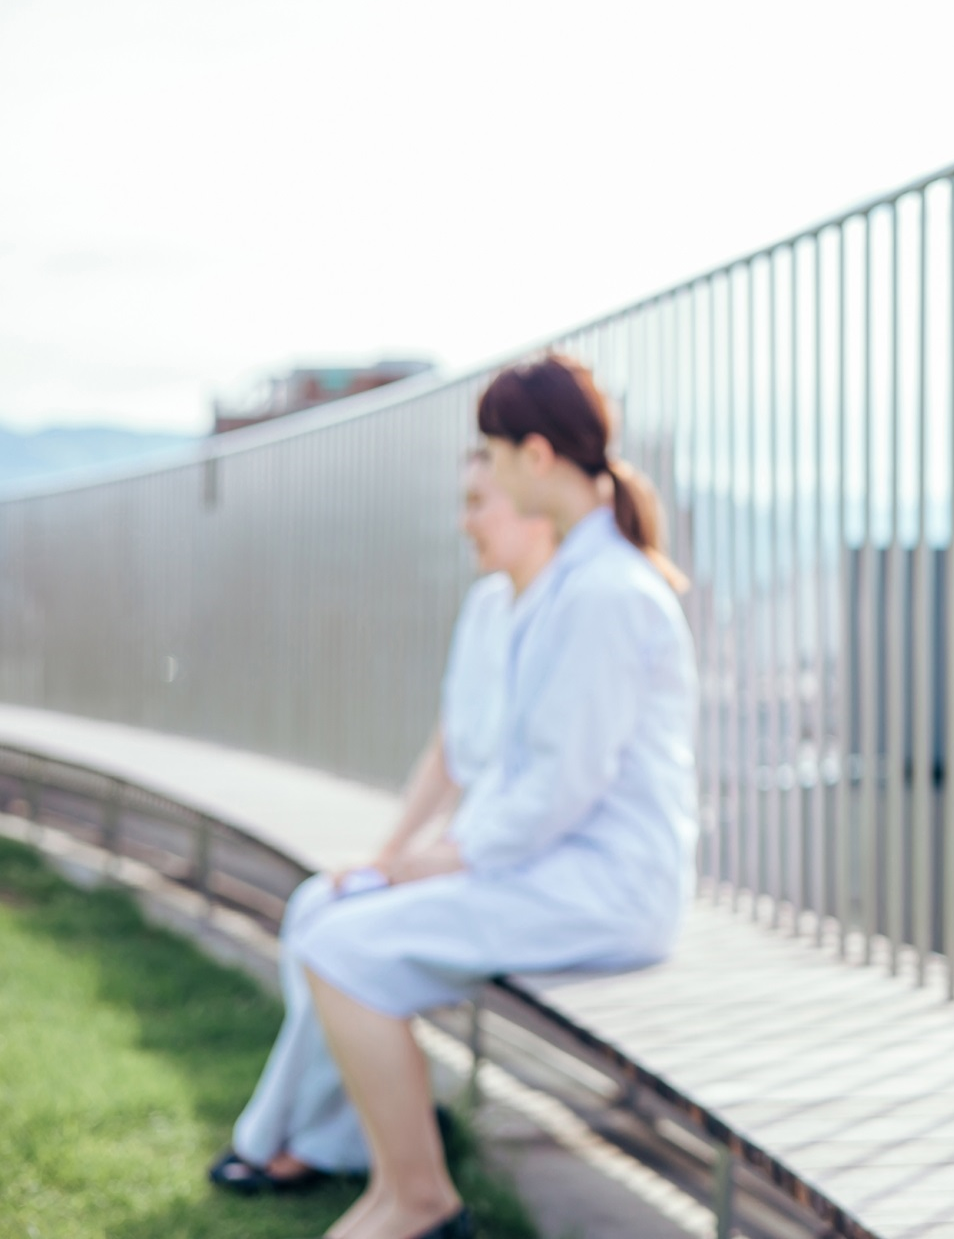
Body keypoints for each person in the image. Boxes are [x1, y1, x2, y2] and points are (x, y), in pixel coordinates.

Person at [275, 354, 694, 1239]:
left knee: (347, 950)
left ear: (534, 457)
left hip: (603, 887)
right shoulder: (575, 586)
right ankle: (394, 1188)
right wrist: (420, 860)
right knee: (342, 935)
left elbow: (559, 788)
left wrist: (436, 860)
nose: (486, 475)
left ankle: (419, 1202)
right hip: (556, 869)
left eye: (492, 455)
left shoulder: (606, 594)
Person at [211, 452, 558, 1193]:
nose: (464, 521)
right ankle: (327, 1139)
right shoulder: (487, 607)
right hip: (458, 851)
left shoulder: (559, 618)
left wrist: (415, 866)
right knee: (320, 901)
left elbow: (540, 798)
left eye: (477, 501)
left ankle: (280, 1137)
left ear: (533, 501)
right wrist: (389, 853)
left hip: (500, 862)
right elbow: (450, 746)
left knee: (337, 936)